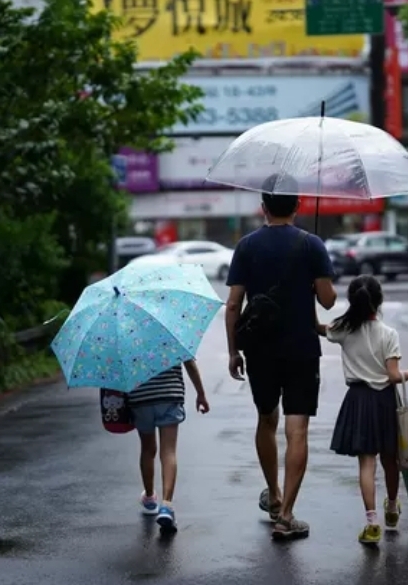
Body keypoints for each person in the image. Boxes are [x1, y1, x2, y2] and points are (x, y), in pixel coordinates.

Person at [224, 174, 337, 540]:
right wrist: (316, 278)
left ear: (263, 207)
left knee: (266, 418)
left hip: (260, 349)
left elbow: (233, 305)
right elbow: (328, 300)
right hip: (302, 348)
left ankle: (273, 496)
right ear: (298, 205)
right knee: (297, 428)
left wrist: (233, 351)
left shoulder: (246, 246)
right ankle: (286, 516)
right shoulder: (311, 244)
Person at [318, 275, 408, 545]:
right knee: (391, 460)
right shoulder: (389, 334)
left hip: (358, 400)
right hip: (385, 401)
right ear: (379, 301)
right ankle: (392, 507)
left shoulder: (343, 329)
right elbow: (393, 376)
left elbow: (317, 328)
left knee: (366, 463)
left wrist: (311, 294)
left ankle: (371, 523)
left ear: (352, 301)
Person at [130, 358, 210, 534]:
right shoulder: (172, 340)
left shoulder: (128, 341)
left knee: (147, 449)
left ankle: (149, 497)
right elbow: (190, 363)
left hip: (140, 397)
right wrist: (201, 393)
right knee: (168, 451)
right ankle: (166, 506)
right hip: (169, 394)